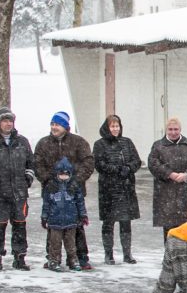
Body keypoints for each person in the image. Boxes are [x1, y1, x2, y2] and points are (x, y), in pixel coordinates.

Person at [34, 111, 95, 270]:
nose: (54, 127)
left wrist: (77, 180)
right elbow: (37, 164)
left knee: (77, 226)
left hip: (74, 192)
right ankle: (52, 258)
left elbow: (88, 163)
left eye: (58, 124)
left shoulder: (79, 142)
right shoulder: (43, 143)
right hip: (51, 192)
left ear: (66, 127)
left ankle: (80, 257)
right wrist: (47, 180)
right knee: (53, 227)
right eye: (52, 124)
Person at [0, 108, 35, 272]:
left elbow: (31, 163)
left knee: (20, 226)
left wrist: (28, 178)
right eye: (5, 120)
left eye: (11, 121)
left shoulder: (22, 142)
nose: (8, 124)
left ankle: (20, 258)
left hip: (19, 194)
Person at [92, 115, 142, 265]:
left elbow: (137, 161)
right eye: (112, 126)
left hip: (126, 188)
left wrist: (128, 168)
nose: (115, 129)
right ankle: (109, 254)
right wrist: (116, 170)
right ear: (107, 128)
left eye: (117, 126)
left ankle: (127, 254)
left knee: (125, 221)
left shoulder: (127, 142)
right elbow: (99, 164)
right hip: (108, 189)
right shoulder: (99, 144)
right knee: (108, 222)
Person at [147, 118, 187, 241]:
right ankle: (170, 255)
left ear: (180, 129)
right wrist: (169, 174)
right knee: (169, 229)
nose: (173, 132)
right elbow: (153, 164)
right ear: (166, 130)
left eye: (176, 129)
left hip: (186, 191)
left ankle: (184, 255)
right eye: (170, 129)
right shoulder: (158, 146)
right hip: (166, 192)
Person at [41, 158, 88, 272]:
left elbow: (80, 202)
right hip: (55, 221)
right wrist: (44, 216)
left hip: (71, 220)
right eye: (61, 174)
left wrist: (83, 215)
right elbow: (46, 203)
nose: (63, 177)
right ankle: (54, 261)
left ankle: (73, 261)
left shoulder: (74, 187)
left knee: (71, 244)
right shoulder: (51, 187)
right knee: (55, 244)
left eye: (66, 175)